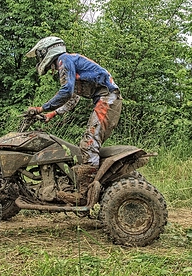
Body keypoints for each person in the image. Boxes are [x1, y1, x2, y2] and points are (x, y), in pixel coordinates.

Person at [26, 36, 122, 204]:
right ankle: (84, 187)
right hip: (107, 98)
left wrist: (42, 108)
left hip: (108, 98)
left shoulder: (64, 60)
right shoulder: (69, 62)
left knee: (89, 143)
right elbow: (73, 98)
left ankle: (85, 193)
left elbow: (66, 92)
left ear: (47, 51)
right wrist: (52, 114)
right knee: (86, 144)